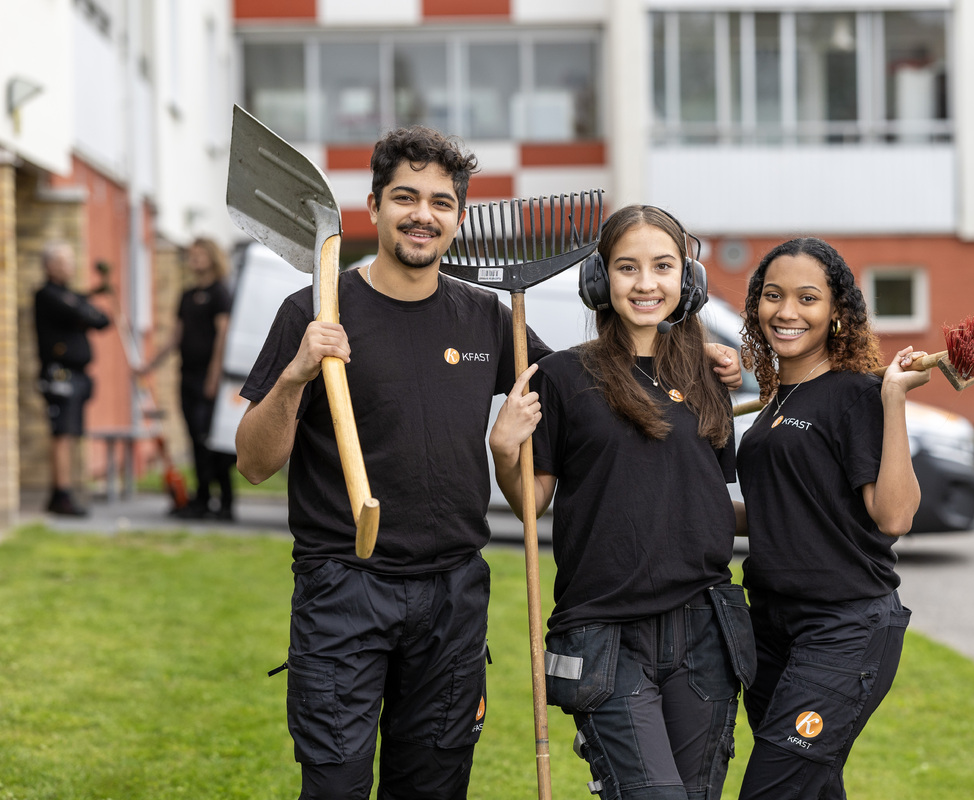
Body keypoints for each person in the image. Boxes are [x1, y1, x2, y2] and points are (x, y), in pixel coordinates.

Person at [234, 129, 745, 800]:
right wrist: (298, 373)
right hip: (344, 586)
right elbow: (253, 462)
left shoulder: (482, 316)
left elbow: (579, 386)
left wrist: (682, 364)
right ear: (373, 205)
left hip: (452, 590)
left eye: (441, 202)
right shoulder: (316, 312)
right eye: (405, 197)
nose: (423, 215)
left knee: (437, 785)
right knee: (334, 783)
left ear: (460, 218)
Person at [489, 204, 756, 800]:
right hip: (604, 633)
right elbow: (531, 505)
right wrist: (505, 453)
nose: (645, 283)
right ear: (599, 280)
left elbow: (708, 499)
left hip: (703, 628)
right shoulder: (562, 377)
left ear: (686, 281)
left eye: (662, 267)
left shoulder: (710, 377)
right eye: (627, 267)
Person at [733, 237, 930, 800]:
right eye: (773, 296)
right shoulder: (775, 402)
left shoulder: (856, 395)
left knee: (772, 791)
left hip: (843, 627)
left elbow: (894, 515)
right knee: (813, 789)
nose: (786, 312)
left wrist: (892, 400)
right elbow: (785, 511)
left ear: (837, 313)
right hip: (770, 627)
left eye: (807, 298)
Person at [139, 237, 236, 519]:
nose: (194, 260)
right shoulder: (187, 295)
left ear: (212, 257)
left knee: (212, 440)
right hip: (188, 376)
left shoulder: (220, 293)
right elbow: (175, 336)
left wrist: (214, 376)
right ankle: (202, 498)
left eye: (199, 255)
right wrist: (150, 365)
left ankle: (226, 502)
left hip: (209, 378)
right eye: (191, 255)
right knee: (194, 438)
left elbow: (222, 336)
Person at [34, 241, 111, 517]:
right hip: (60, 375)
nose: (69, 266)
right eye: (62, 261)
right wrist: (83, 313)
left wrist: (85, 312)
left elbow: (102, 319)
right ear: (49, 266)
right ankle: (61, 493)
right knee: (63, 434)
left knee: (72, 433)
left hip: (78, 376)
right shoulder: (47, 295)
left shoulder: (70, 294)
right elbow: (80, 313)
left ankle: (66, 489)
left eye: (70, 260)